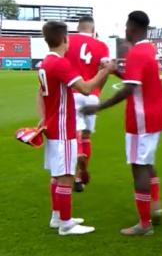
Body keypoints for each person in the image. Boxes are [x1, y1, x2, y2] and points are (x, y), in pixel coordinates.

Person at [82, 11, 162, 236]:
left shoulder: (137, 52)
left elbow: (130, 89)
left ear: (131, 28)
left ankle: (144, 223)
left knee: (138, 166)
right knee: (147, 161)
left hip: (142, 120)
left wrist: (98, 107)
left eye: (126, 27)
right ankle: (156, 205)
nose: (125, 31)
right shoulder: (149, 49)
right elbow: (136, 81)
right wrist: (115, 71)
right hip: (156, 116)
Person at [37, 21, 113, 235]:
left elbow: (40, 94)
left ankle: (56, 217)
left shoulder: (45, 63)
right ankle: (66, 223)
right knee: (66, 176)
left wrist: (42, 117)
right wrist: (104, 70)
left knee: (56, 174)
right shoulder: (59, 64)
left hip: (52, 126)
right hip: (63, 128)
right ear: (64, 40)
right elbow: (87, 89)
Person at [64, 16, 111, 192]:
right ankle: (79, 178)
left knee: (74, 134)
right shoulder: (101, 45)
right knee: (86, 136)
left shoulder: (67, 41)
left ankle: (76, 157)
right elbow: (106, 69)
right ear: (93, 29)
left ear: (78, 27)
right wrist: (98, 89)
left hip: (73, 92)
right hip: (92, 95)